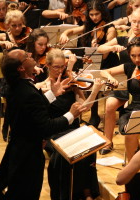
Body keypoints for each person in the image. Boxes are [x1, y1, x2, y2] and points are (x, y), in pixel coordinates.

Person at [0, 49, 86, 199]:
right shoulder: (26, 91)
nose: (30, 55)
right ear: (21, 68)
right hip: (28, 157)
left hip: (21, 150)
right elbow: (47, 126)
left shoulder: (20, 85)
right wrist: (71, 114)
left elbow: (32, 111)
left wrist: (53, 94)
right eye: (26, 56)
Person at [37, 48, 103, 200]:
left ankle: (87, 192)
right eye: (56, 67)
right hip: (54, 132)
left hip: (73, 130)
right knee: (71, 151)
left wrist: (95, 91)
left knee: (89, 147)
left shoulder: (72, 85)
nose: (60, 70)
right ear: (47, 66)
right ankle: (67, 194)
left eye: (63, 67)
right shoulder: (41, 87)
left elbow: (84, 107)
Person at [97, 8, 140, 154]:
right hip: (124, 83)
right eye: (134, 21)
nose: (136, 25)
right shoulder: (122, 39)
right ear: (129, 20)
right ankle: (108, 141)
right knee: (110, 105)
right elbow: (100, 48)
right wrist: (112, 47)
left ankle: (137, 144)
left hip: (139, 84)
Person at [59, 0, 120, 127]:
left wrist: (97, 47)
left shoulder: (110, 28)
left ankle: (99, 115)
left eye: (97, 14)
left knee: (95, 78)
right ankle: (93, 114)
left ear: (102, 13)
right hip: (93, 61)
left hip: (108, 63)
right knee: (86, 77)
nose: (94, 17)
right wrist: (65, 33)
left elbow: (105, 54)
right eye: (91, 14)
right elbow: (72, 32)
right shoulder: (88, 26)